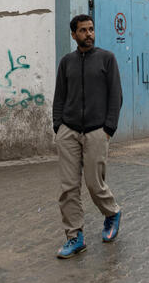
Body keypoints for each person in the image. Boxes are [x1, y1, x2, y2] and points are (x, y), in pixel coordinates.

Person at [52, 14, 123, 259]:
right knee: (68, 188)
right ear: (73, 35)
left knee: (94, 184)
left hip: (96, 131)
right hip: (69, 131)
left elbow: (116, 96)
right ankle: (75, 237)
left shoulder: (107, 59)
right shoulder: (66, 62)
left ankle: (111, 213)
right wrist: (58, 127)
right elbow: (59, 97)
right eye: (83, 30)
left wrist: (108, 129)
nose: (88, 34)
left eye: (91, 29)